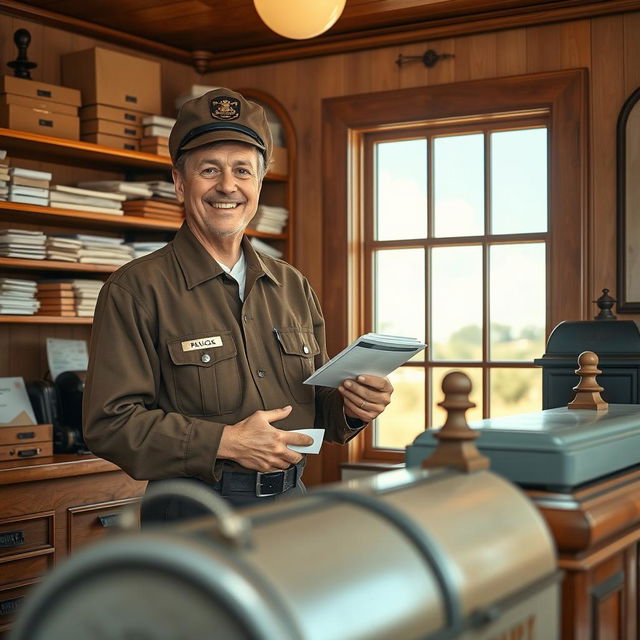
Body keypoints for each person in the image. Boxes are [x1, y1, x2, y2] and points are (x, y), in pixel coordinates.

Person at [82, 88, 393, 518]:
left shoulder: (292, 285)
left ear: (259, 184)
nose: (227, 186)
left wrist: (353, 407)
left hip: (290, 507)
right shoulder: (135, 289)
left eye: (243, 171)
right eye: (209, 170)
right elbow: (110, 425)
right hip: (193, 515)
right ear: (179, 182)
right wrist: (225, 442)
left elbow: (319, 410)